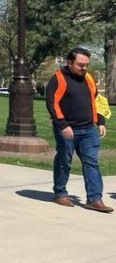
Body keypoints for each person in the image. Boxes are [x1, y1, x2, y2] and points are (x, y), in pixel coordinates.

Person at [46, 47, 111, 212]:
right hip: (67, 129)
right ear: (69, 62)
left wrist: (100, 121)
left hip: (88, 129)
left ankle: (95, 199)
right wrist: (62, 124)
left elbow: (96, 100)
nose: (84, 68)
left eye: (86, 65)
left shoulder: (88, 77)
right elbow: (52, 103)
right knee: (64, 160)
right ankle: (60, 193)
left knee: (92, 162)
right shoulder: (58, 79)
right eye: (81, 65)